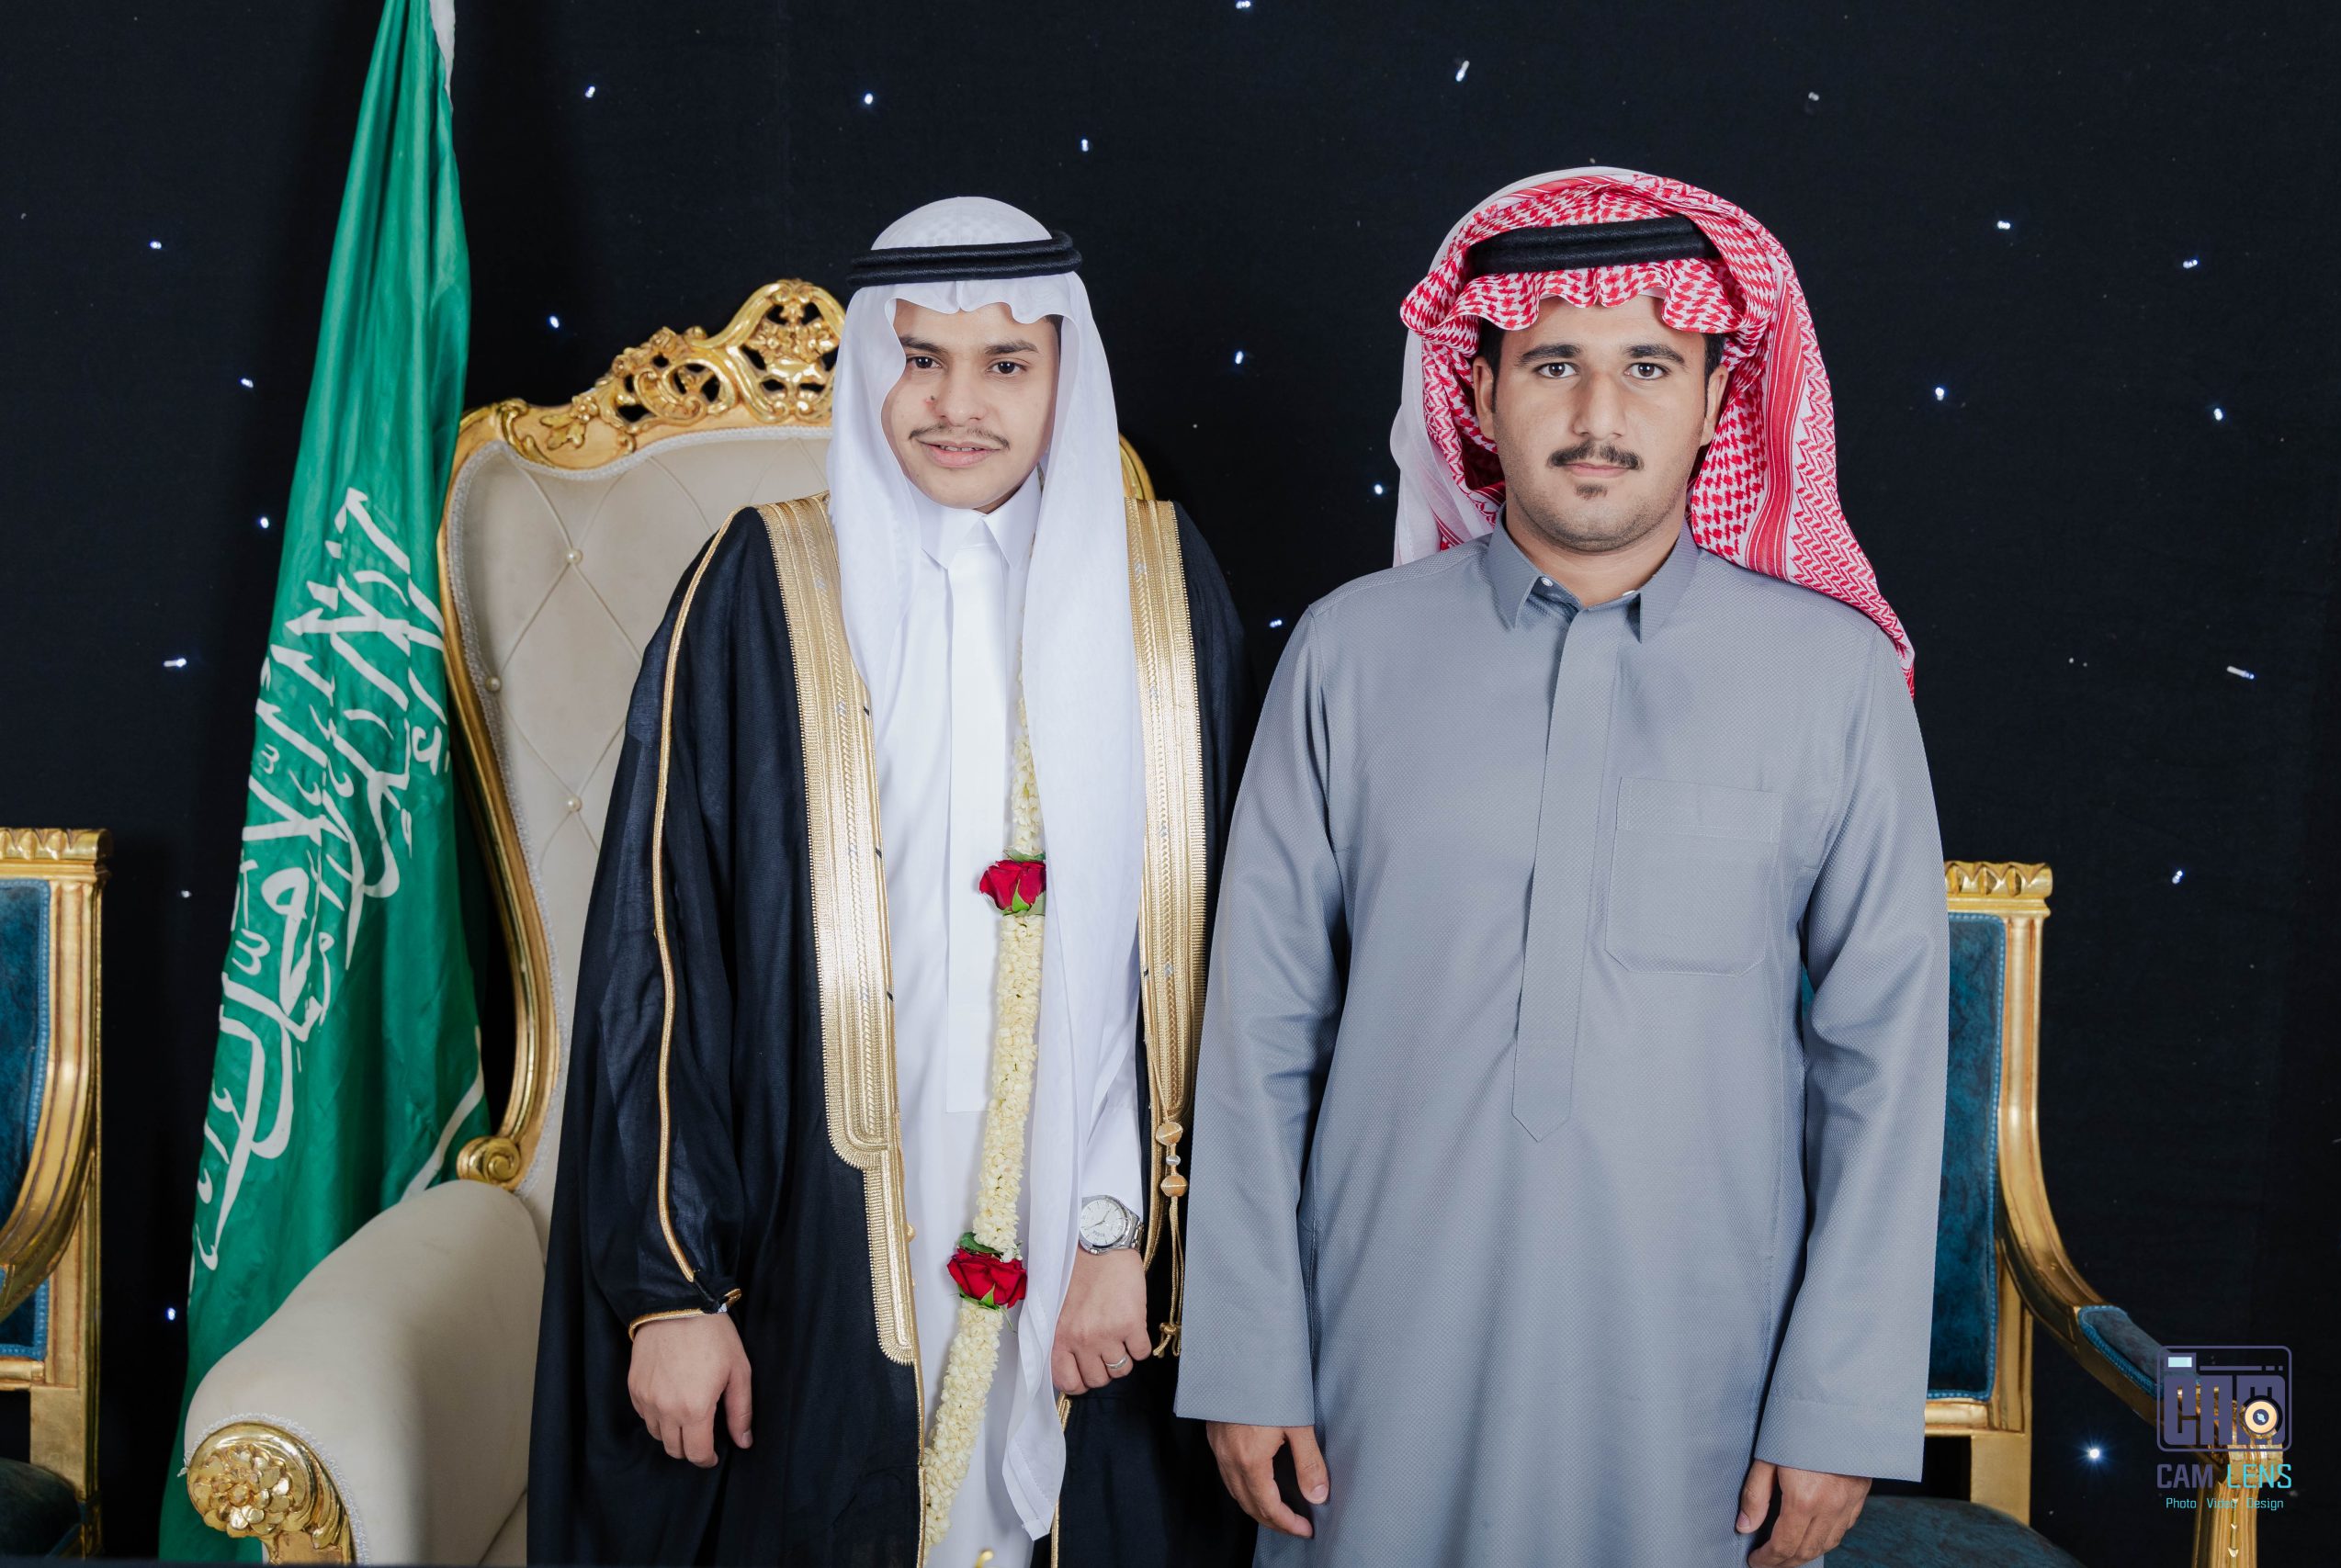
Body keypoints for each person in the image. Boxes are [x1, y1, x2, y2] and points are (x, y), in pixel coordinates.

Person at [1173, 166, 1951, 1568]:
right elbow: (1257, 1036)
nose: (1600, 415)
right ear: (1479, 396)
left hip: (1703, 1381)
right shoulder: (1348, 655)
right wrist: (1246, 1352)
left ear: (1717, 399)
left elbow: (1885, 1068)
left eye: (1649, 366)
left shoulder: (1834, 684)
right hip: (1375, 1362)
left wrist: (1839, 1402)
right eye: (1553, 365)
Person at [529, 197, 1254, 1567]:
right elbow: (659, 950)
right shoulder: (757, 587)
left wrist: (1124, 1232)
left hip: (1092, 1241)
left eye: (1005, 364)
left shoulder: (1160, 594)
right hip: (817, 1228)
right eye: (922, 359)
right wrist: (671, 1292)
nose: (957, 404)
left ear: (1065, 374)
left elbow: (1215, 963)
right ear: (874, 364)